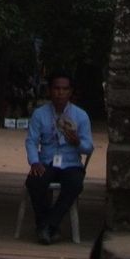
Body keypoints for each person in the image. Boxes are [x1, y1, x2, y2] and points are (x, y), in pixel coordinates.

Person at [24, 71, 93, 244]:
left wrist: (77, 142)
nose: (60, 93)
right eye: (56, 88)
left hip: (71, 163)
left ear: (70, 92)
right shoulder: (40, 114)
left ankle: (48, 225)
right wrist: (34, 161)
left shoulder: (81, 115)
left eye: (64, 89)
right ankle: (46, 225)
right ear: (50, 90)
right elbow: (31, 140)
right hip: (46, 160)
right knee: (34, 182)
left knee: (74, 184)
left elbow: (89, 147)